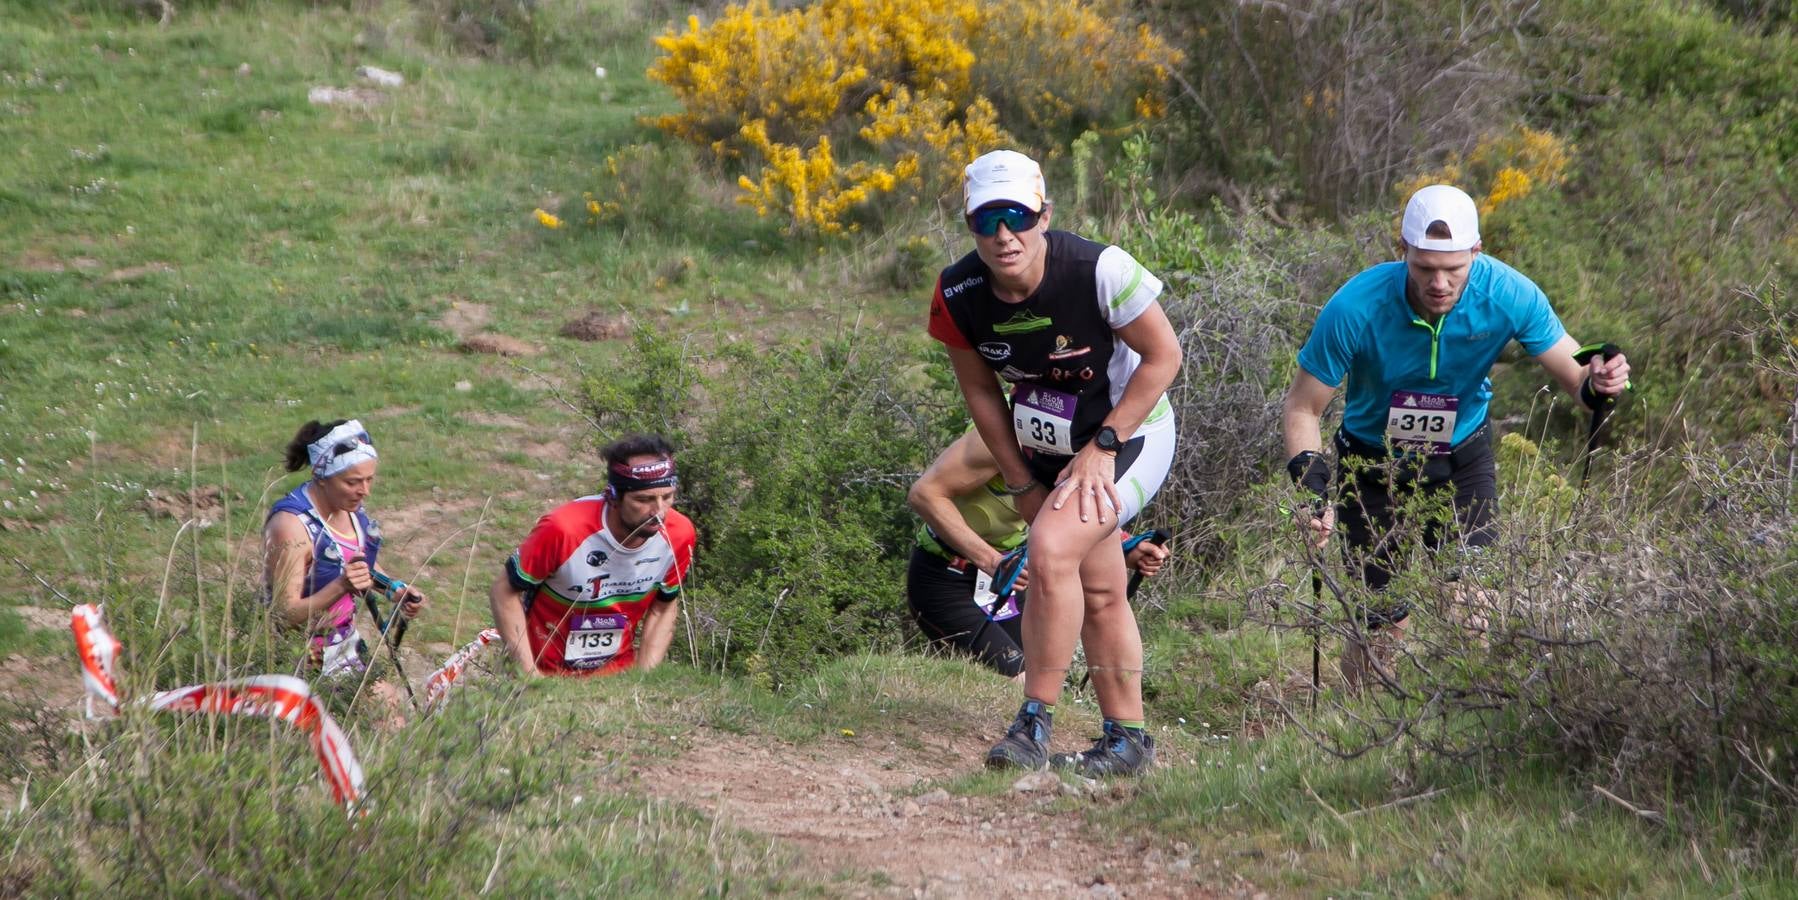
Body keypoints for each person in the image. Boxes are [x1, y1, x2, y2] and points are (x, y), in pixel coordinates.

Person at [1281, 184, 1632, 689]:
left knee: (1472, 608)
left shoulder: (1509, 293)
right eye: (1424, 268)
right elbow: (1302, 406)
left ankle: (1472, 726)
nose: (1440, 283)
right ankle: (1357, 724)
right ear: (1401, 252)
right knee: (1382, 623)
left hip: (1461, 458)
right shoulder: (1355, 306)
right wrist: (1310, 485)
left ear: (1476, 252)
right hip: (1371, 467)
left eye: (1454, 269)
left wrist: (1599, 382)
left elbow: (1576, 379)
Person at [927, 149, 1183, 776]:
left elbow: (1164, 358)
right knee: (1100, 589)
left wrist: (1104, 447)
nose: (1004, 235)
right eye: (987, 220)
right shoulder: (956, 293)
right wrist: (1018, 479)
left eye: (1017, 216)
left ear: (1044, 215)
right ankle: (1128, 742)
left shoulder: (1099, 269)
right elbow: (983, 393)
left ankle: (1033, 723)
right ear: (970, 226)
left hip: (1131, 433)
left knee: (1050, 548)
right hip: (1047, 444)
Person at [907, 428, 1170, 679]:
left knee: (1042, 678)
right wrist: (992, 561)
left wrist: (1125, 548)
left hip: (1007, 583)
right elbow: (924, 494)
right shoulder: (999, 434)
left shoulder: (1077, 437)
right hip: (944, 577)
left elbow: (1066, 509)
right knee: (1019, 679)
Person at [489, 434, 696, 677]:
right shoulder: (563, 529)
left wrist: (642, 680)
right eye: (644, 499)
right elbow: (503, 591)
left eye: (667, 497)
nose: (659, 511)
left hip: (615, 679)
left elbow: (663, 607)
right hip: (544, 674)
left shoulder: (679, 534)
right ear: (615, 496)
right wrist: (530, 676)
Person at [264, 419, 428, 677]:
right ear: (321, 477)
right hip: (300, 654)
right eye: (353, 482)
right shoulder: (291, 526)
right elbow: (284, 614)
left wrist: (392, 589)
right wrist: (341, 587)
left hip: (344, 639)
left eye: (369, 480)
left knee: (390, 711)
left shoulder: (348, 508)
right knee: (380, 713)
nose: (365, 491)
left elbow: (355, 563)